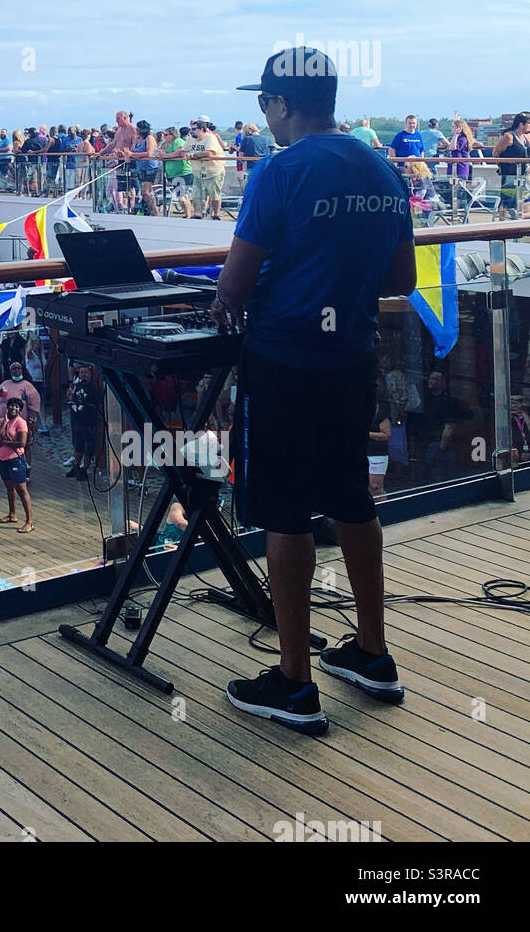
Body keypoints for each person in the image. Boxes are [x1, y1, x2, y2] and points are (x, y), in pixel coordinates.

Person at [217, 46, 416, 736]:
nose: (263, 116)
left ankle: (295, 682)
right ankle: (371, 652)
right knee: (350, 496)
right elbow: (401, 282)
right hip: (350, 361)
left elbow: (233, 287)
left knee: (286, 512)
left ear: (281, 105)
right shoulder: (383, 167)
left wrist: (242, 301)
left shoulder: (278, 172)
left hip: (284, 363)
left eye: (263, 104)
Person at [0, 396, 33, 532]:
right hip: (3, 458)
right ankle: (12, 514)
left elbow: (22, 443)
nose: (13, 408)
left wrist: (5, 442)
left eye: (16, 407)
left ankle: (29, 521)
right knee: (9, 487)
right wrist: (4, 423)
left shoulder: (21, 423)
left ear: (20, 410)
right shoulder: (2, 420)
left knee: (22, 490)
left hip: (16, 459)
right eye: (11, 406)